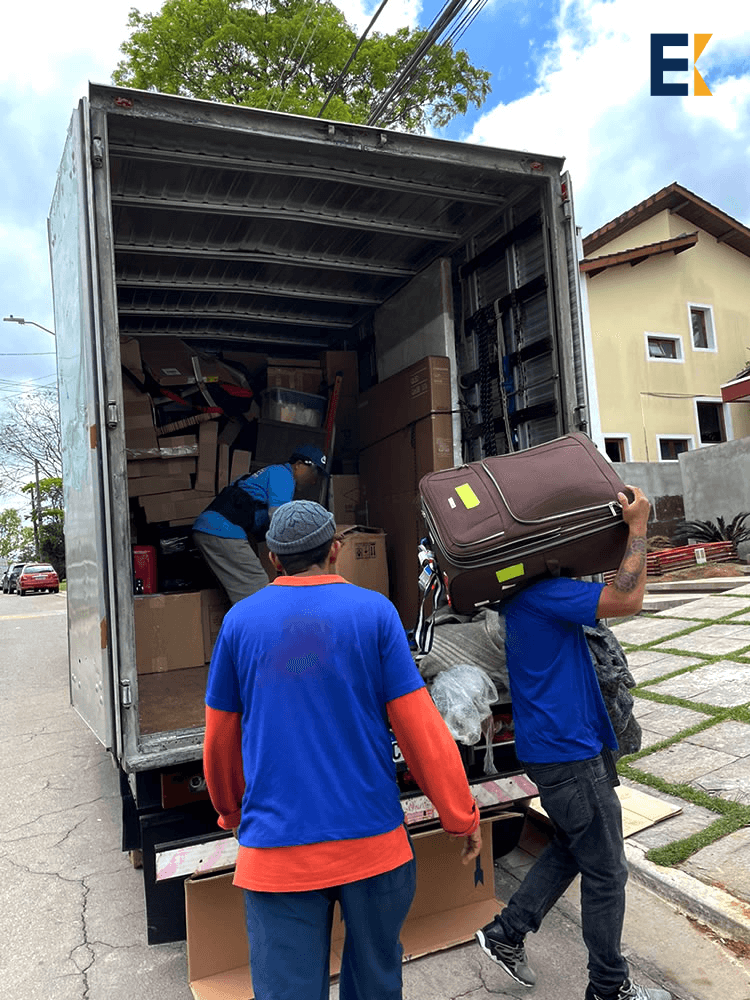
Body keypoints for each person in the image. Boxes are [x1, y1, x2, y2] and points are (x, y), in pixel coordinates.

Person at [203, 500, 482, 1000]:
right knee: (376, 983)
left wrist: (229, 811)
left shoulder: (239, 624)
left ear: (272, 559)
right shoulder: (375, 612)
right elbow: (420, 726)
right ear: (335, 550)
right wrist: (459, 815)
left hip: (275, 855)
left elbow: (220, 739)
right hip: (375, 849)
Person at [475, 486, 672, 1000]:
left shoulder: (519, 597)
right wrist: (637, 527)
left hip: (557, 753)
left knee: (571, 845)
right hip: (571, 756)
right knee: (607, 873)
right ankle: (608, 987)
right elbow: (628, 597)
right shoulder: (546, 595)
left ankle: (507, 933)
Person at [192, 443, 327, 603]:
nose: (313, 481)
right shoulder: (283, 476)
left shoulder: (268, 474)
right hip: (221, 530)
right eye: (314, 472)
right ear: (298, 465)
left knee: (242, 592)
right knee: (258, 587)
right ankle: (259, 628)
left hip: (210, 527)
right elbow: (280, 520)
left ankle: (241, 626)